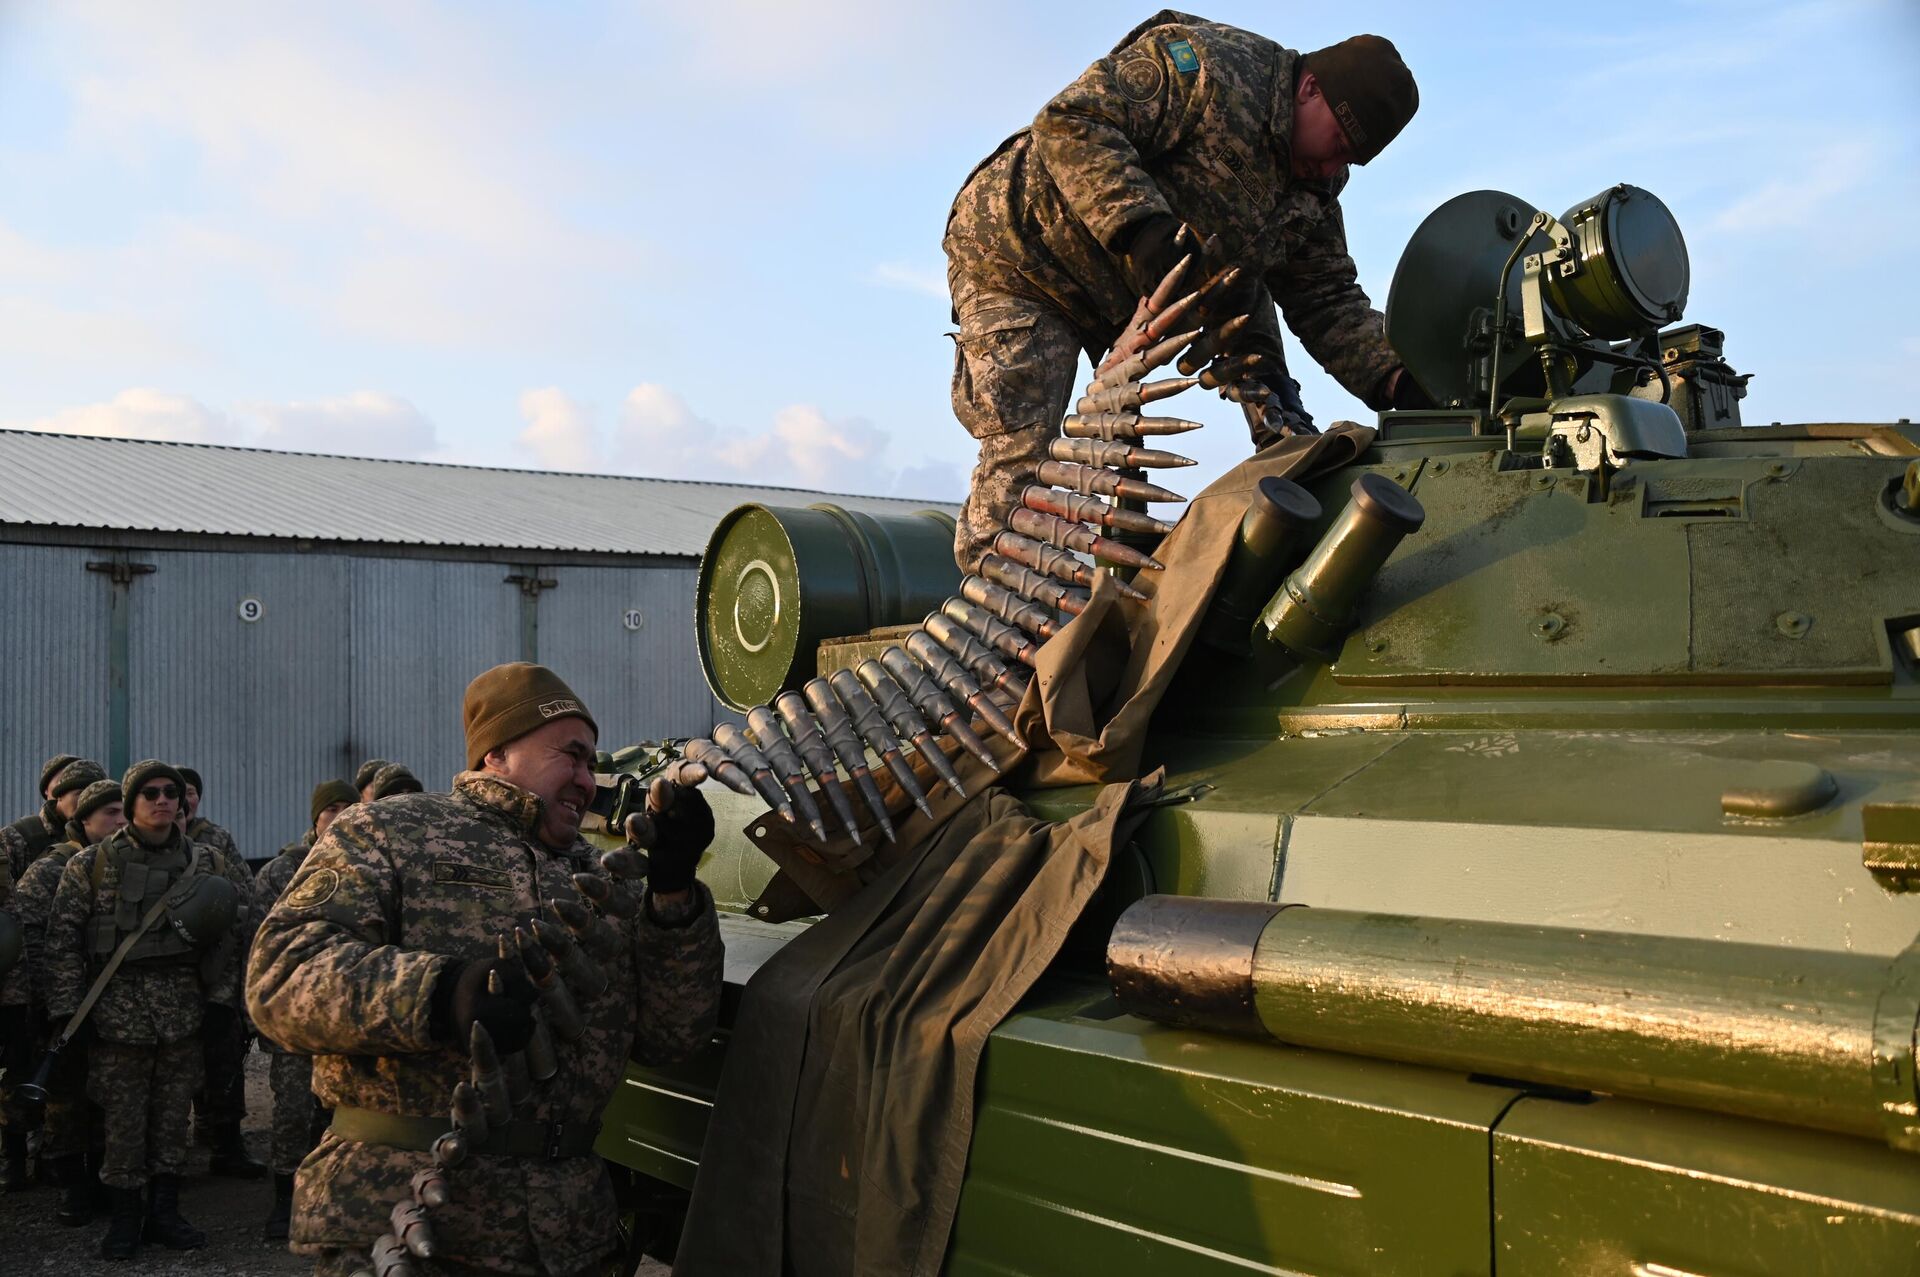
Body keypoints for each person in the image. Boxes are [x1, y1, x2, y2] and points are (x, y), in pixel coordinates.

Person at [248, 662, 725, 1277]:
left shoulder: (600, 875)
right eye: (571, 756)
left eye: (591, 763)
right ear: (495, 752)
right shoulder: (391, 832)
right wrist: (440, 992)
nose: (587, 780)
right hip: (416, 1220)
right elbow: (280, 977)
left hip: (568, 1234)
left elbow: (672, 1036)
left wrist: (674, 896)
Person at [944, 11, 1426, 570]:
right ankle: (998, 609)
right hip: (1024, 256)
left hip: (1130, 306)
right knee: (1027, 452)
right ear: (1310, 88)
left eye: (1351, 159)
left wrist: (1396, 378)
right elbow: (1073, 119)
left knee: (1130, 474)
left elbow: (1326, 296)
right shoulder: (1208, 68)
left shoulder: (1314, 183)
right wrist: (1138, 224)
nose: (1332, 165)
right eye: (1337, 141)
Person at [44, 760, 246, 1260]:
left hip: (183, 1016)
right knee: (123, 1123)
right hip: (116, 1016)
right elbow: (63, 944)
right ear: (131, 804)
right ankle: (126, 1218)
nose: (163, 800)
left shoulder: (208, 864)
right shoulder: (89, 865)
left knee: (171, 1120)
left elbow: (232, 939)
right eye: (150, 793)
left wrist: (221, 1006)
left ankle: (165, 1212)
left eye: (171, 793)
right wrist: (69, 1014)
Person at [9, 778, 126, 1225]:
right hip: (62, 1003)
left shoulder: (123, 862)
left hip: (112, 1002)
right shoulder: (51, 868)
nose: (119, 820)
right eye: (110, 813)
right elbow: (31, 937)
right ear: (84, 820)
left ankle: (100, 1180)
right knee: (66, 1099)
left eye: (122, 811)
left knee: (105, 1096)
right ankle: (72, 1186)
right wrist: (55, 1003)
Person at [255, 778, 358, 1241]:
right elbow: (258, 949)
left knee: (337, 1114)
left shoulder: (370, 865)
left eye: (347, 807)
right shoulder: (281, 872)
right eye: (330, 808)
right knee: (293, 1110)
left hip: (348, 1016)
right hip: (296, 1015)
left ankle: (330, 1200)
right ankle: (284, 1200)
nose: (338, 816)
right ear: (315, 818)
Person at [1, 756, 105, 1190]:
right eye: (78, 793)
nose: (86, 801)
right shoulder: (21, 840)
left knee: (64, 1077)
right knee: (22, 1070)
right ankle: (13, 1155)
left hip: (67, 979)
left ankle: (55, 1158)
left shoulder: (103, 850)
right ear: (54, 794)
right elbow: (17, 920)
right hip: (29, 972)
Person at [177, 765, 267, 1178]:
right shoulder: (135, 847)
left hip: (218, 973)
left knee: (224, 1063)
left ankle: (226, 1144)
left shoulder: (217, 841)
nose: (184, 799)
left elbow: (245, 901)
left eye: (191, 791)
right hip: (170, 979)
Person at [4, 756, 106, 881]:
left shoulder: (103, 836)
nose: (87, 799)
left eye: (95, 793)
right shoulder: (18, 836)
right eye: (80, 792)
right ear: (59, 793)